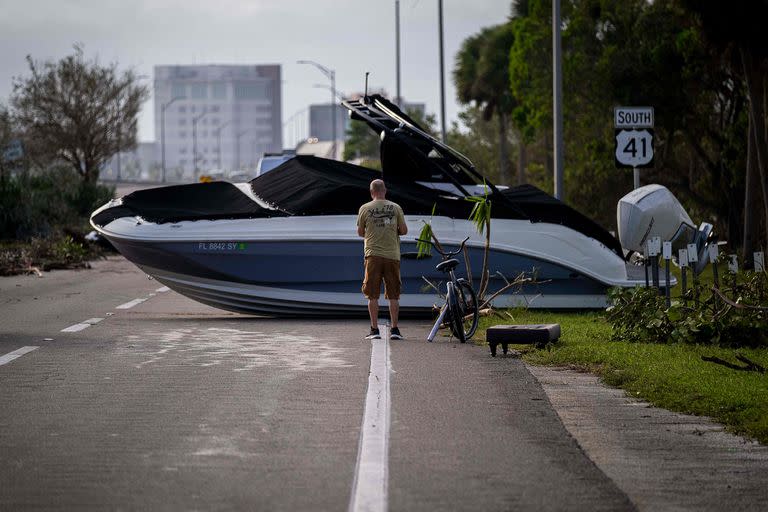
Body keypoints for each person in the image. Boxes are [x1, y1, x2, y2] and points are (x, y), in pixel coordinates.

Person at [357, 179, 408, 340]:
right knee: (393, 295)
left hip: (372, 255)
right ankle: (394, 330)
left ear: (371, 192)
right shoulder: (396, 207)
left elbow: (360, 232)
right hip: (392, 256)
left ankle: (374, 330)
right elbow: (404, 231)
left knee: (372, 295)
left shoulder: (365, 208)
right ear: (385, 190)